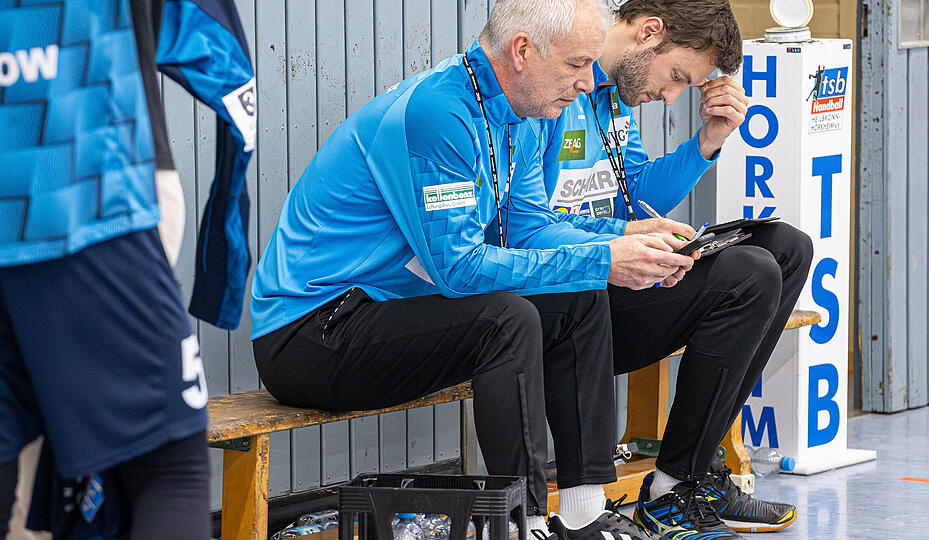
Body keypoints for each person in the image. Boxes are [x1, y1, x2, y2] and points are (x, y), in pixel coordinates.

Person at [249, 1, 693, 539]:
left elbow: (527, 227)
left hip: (388, 309)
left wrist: (623, 240)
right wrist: (603, 259)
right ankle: (521, 522)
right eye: (576, 64)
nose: (586, 83)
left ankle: (582, 511)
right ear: (523, 50)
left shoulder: (523, 114)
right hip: (310, 332)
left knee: (579, 296)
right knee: (506, 320)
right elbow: (459, 270)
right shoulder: (440, 112)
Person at [515, 0, 813, 537]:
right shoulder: (552, 91)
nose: (670, 95)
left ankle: (686, 479)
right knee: (749, 273)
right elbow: (526, 224)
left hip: (614, 282)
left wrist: (708, 142)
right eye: (676, 76)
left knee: (787, 247)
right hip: (567, 303)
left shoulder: (614, 103)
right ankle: (674, 486)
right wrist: (621, 237)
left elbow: (637, 193)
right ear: (649, 32)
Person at [0, 0, 255, 538]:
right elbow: (225, 62)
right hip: (77, 186)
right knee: (168, 463)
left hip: (70, 199)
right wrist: (223, 275)